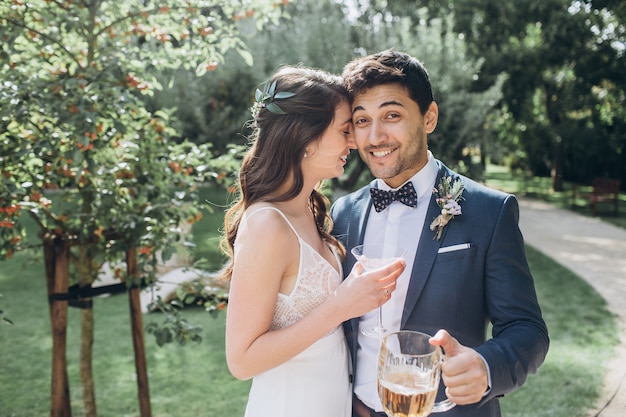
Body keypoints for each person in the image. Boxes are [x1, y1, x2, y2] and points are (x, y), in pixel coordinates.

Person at [331, 50, 549, 417]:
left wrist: (486, 366)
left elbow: (527, 329)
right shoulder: (344, 212)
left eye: (392, 115)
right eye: (362, 120)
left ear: (428, 117)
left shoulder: (489, 211)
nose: (375, 135)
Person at [221, 65, 406, 417]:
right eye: (344, 130)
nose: (354, 142)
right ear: (306, 138)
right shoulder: (267, 225)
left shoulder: (308, 210)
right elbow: (241, 360)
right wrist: (341, 305)